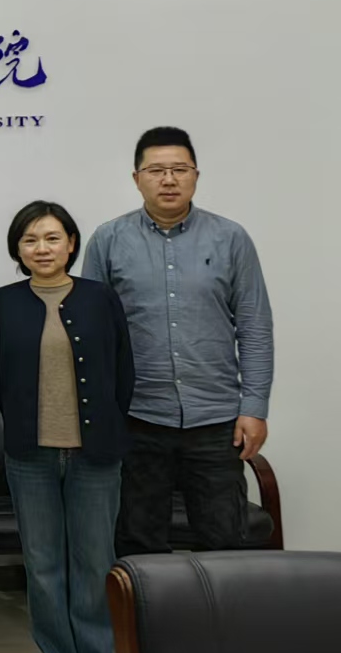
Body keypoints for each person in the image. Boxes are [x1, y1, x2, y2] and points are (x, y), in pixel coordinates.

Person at [81, 126, 274, 555]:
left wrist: (254, 407)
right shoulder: (108, 241)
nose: (168, 180)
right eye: (156, 170)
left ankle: (222, 606)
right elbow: (90, 334)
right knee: (138, 545)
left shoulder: (231, 239)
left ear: (195, 176)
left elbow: (255, 327)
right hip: (138, 418)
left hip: (216, 420)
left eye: (179, 169)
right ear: (137, 179)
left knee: (224, 543)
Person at [0, 201, 133, 653]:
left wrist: (107, 426)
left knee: (94, 565)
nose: (42, 248)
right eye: (30, 240)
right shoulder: (3, 303)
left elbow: (123, 372)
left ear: (72, 243)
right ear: (17, 249)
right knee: (43, 566)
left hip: (95, 456)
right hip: (31, 458)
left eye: (52, 238)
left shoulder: (100, 298)